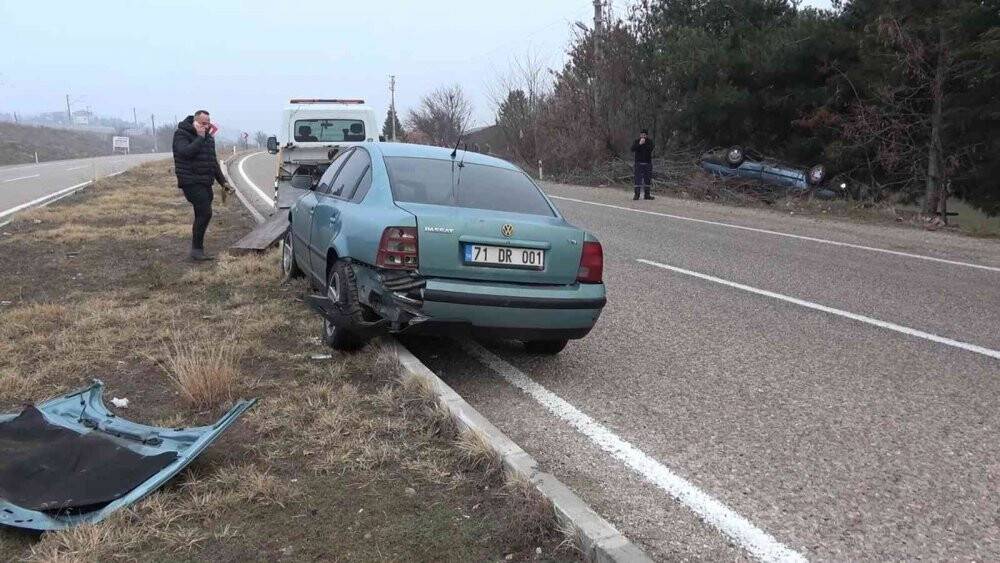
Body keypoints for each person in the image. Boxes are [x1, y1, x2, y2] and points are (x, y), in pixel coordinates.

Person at [172, 110, 232, 261]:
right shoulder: (181, 134)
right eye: (203, 124)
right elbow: (185, 152)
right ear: (195, 122)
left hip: (205, 181)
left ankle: (197, 248)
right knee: (205, 212)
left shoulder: (208, 137)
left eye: (208, 123)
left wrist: (223, 182)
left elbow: (213, 161)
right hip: (190, 180)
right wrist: (199, 138)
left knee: (202, 214)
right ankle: (197, 250)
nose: (206, 127)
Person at [630, 128, 655, 201]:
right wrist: (639, 144)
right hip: (638, 163)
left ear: (646, 135)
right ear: (640, 135)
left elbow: (651, 149)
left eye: (644, 135)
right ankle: (636, 195)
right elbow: (632, 149)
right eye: (641, 134)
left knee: (647, 179)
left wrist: (644, 144)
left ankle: (647, 195)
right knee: (638, 180)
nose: (643, 136)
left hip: (647, 163)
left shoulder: (650, 142)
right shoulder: (636, 141)